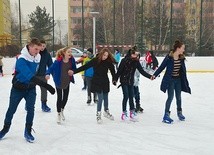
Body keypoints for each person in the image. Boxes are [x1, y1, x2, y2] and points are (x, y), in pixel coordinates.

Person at [0, 38, 55, 143]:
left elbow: (37, 72)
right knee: (12, 109)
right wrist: (46, 86)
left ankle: (28, 130)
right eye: (36, 49)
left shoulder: (37, 57)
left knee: (31, 109)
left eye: (39, 49)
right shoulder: (21, 59)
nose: (38, 52)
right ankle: (5, 128)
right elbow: (29, 75)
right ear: (29, 47)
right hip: (18, 88)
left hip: (30, 88)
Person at [71, 48, 116, 124]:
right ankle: (98, 114)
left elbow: (113, 71)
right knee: (100, 98)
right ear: (101, 54)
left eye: (107, 55)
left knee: (106, 97)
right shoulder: (95, 60)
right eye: (104, 55)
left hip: (105, 81)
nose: (105, 57)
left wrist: (114, 79)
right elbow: (85, 67)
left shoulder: (108, 61)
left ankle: (106, 111)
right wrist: (74, 72)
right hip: (97, 81)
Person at [152, 40, 191, 124]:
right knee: (170, 97)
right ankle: (166, 115)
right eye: (183, 48)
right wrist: (154, 75)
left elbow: (182, 71)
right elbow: (161, 67)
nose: (184, 50)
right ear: (178, 48)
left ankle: (179, 112)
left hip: (178, 80)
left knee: (179, 97)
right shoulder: (169, 57)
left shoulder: (181, 58)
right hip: (170, 80)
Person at [114, 46, 153, 122]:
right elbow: (119, 72)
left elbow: (141, 71)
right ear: (131, 54)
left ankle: (132, 112)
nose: (136, 56)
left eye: (137, 55)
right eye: (134, 54)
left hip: (130, 81)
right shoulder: (124, 61)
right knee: (126, 96)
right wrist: (115, 80)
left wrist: (150, 76)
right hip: (124, 81)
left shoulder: (136, 61)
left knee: (131, 96)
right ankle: (124, 113)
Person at [45, 47, 76, 124]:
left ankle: (62, 110)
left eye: (71, 52)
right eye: (68, 52)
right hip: (58, 81)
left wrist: (72, 71)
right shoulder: (58, 61)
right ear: (64, 53)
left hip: (67, 81)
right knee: (59, 97)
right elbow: (50, 68)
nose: (70, 53)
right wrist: (47, 74)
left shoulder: (72, 60)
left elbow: (74, 69)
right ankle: (58, 113)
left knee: (65, 97)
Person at [36, 39, 53, 112]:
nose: (42, 47)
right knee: (30, 90)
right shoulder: (35, 53)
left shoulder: (47, 54)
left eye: (44, 46)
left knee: (44, 90)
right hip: (33, 76)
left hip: (43, 75)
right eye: (41, 46)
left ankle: (44, 104)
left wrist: (48, 73)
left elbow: (50, 65)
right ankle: (28, 104)